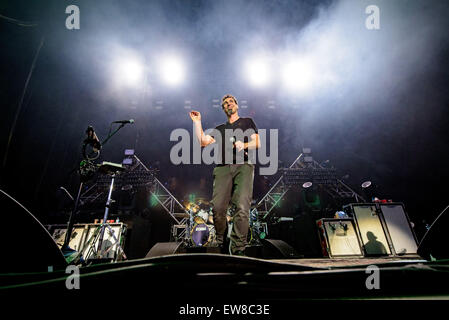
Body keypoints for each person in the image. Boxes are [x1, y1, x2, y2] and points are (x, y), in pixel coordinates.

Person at [189, 94, 260, 255]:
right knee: (218, 208)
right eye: (225, 104)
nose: (228, 104)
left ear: (236, 105)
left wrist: (245, 144)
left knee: (241, 206)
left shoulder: (247, 122)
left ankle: (238, 250)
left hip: (243, 165)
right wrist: (197, 122)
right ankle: (223, 239)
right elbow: (203, 141)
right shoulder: (220, 129)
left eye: (231, 102)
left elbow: (257, 142)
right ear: (223, 109)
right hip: (222, 168)